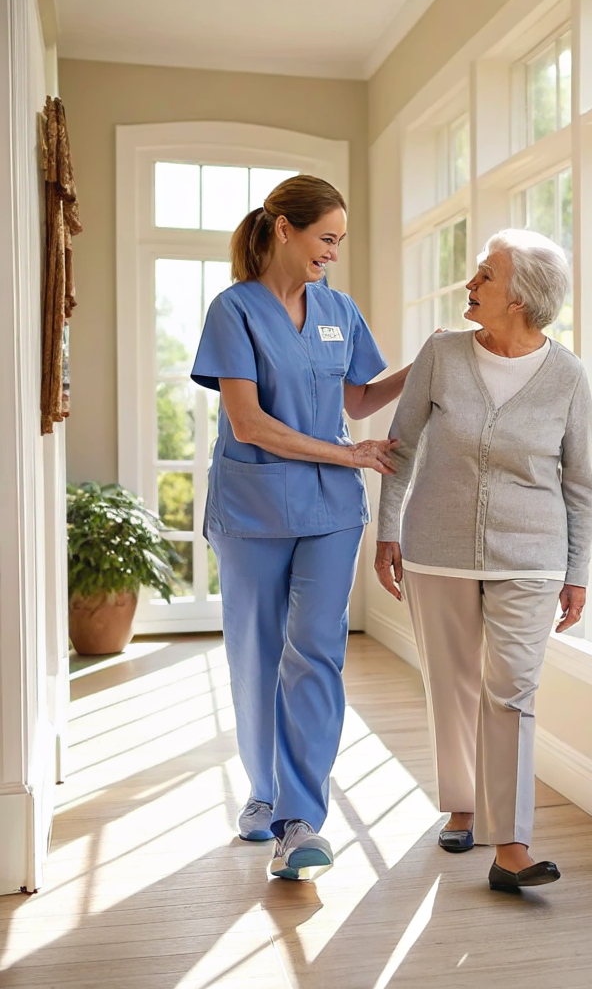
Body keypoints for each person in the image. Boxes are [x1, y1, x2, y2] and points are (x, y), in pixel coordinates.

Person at [191, 175, 405, 881]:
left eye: (339, 242)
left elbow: (361, 395)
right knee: (257, 658)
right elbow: (248, 423)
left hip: (330, 513)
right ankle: (264, 796)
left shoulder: (339, 310)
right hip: (255, 509)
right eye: (326, 239)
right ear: (284, 229)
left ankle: (299, 820)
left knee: (316, 653)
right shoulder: (234, 311)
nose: (333, 254)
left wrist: (425, 364)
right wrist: (346, 453)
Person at [375, 229, 592, 892]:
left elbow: (579, 482)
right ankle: (463, 804)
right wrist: (387, 531)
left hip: (531, 556)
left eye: (484, 278)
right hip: (437, 550)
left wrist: (577, 570)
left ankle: (512, 846)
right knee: (452, 685)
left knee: (512, 692)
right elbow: (401, 446)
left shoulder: (567, 375)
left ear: (521, 298)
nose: (469, 287)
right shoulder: (442, 354)